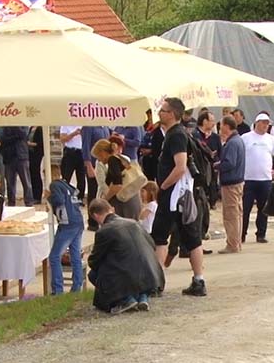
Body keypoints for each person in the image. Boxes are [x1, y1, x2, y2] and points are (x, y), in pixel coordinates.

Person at [153, 97, 207, 296]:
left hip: (175, 195)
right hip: (183, 194)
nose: (160, 113)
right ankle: (198, 280)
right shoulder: (178, 133)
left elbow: (180, 166)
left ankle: (156, 282)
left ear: (173, 114)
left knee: (159, 236)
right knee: (192, 238)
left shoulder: (176, 135)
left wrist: (163, 186)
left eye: (163, 110)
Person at [87, 199, 165, 314]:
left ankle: (126, 299)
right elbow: (152, 245)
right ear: (112, 209)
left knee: (94, 274)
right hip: (150, 275)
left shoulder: (104, 231)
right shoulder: (134, 223)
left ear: (95, 215)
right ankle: (142, 297)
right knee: (132, 268)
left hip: (126, 276)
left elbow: (95, 261)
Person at [241, 112, 274, 244]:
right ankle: (241, 234)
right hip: (248, 179)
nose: (266, 125)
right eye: (264, 123)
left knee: (263, 208)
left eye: (267, 123)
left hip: (265, 179)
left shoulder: (270, 139)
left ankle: (261, 234)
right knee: (245, 209)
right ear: (257, 123)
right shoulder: (246, 137)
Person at [46, 164, 85, 294]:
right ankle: (77, 286)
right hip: (78, 221)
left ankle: (57, 289)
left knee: (54, 256)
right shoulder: (67, 185)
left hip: (67, 223)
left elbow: (59, 200)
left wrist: (49, 197)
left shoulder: (54, 185)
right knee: (75, 255)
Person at [92, 138, 144, 221]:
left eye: (98, 157)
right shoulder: (119, 158)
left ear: (103, 153)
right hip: (131, 197)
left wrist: (105, 199)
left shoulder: (112, 161)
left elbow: (117, 185)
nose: (99, 160)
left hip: (124, 202)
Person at [218, 116, 246, 254]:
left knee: (231, 214)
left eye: (221, 124)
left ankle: (232, 244)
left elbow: (230, 163)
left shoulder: (232, 143)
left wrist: (217, 166)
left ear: (227, 126)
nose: (220, 127)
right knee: (237, 213)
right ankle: (236, 242)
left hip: (231, 182)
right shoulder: (238, 140)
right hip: (238, 181)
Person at [0, 126, 34, 207]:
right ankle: (11, 203)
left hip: (21, 156)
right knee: (10, 183)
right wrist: (16, 137)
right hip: (9, 158)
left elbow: (23, 134)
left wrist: (14, 131)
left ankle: (29, 202)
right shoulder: (4, 126)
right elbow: (2, 139)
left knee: (26, 182)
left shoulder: (22, 125)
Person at [59, 125, 86, 190]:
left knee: (81, 177)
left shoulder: (83, 125)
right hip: (70, 152)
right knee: (66, 176)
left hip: (81, 152)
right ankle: (65, 194)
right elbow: (62, 139)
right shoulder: (65, 125)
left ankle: (80, 196)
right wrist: (73, 134)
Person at [27, 126, 46, 203]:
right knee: (31, 174)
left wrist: (30, 144)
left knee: (36, 174)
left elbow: (41, 143)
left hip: (37, 154)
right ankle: (33, 195)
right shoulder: (31, 128)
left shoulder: (40, 129)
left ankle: (37, 196)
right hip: (30, 154)